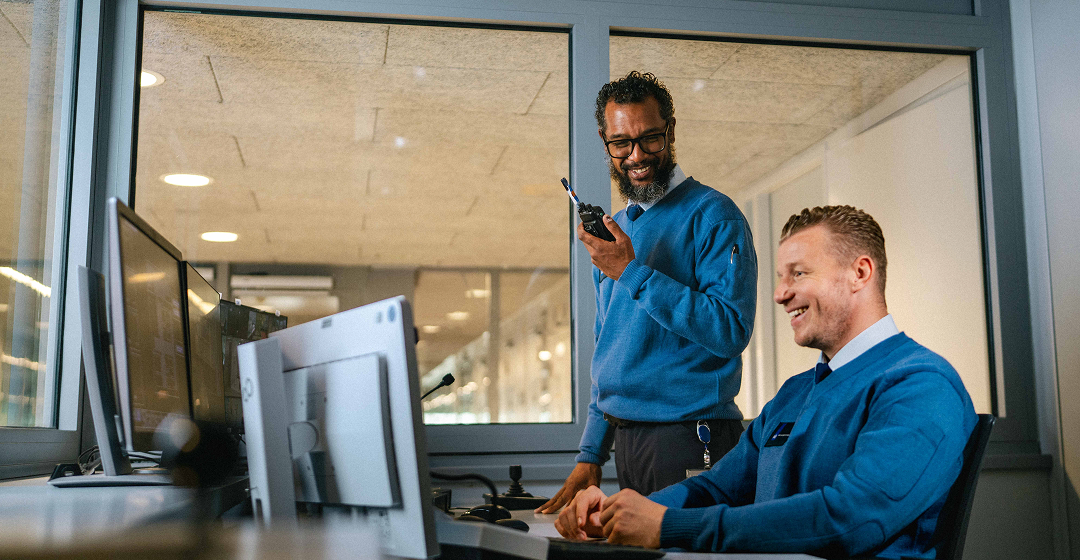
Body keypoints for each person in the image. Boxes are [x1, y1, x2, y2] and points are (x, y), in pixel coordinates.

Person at [554, 205, 979, 559]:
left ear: (860, 273)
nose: (779, 294)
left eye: (798, 274)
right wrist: (618, 512)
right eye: (780, 277)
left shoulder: (921, 386)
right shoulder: (796, 393)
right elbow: (718, 486)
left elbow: (848, 520)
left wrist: (668, 525)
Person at [537, 71, 758, 513]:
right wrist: (591, 453)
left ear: (670, 133)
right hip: (628, 442)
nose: (636, 156)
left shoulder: (714, 214)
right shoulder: (618, 230)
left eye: (650, 139)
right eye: (622, 143)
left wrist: (632, 273)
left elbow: (731, 328)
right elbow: (610, 350)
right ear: (606, 143)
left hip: (692, 437)